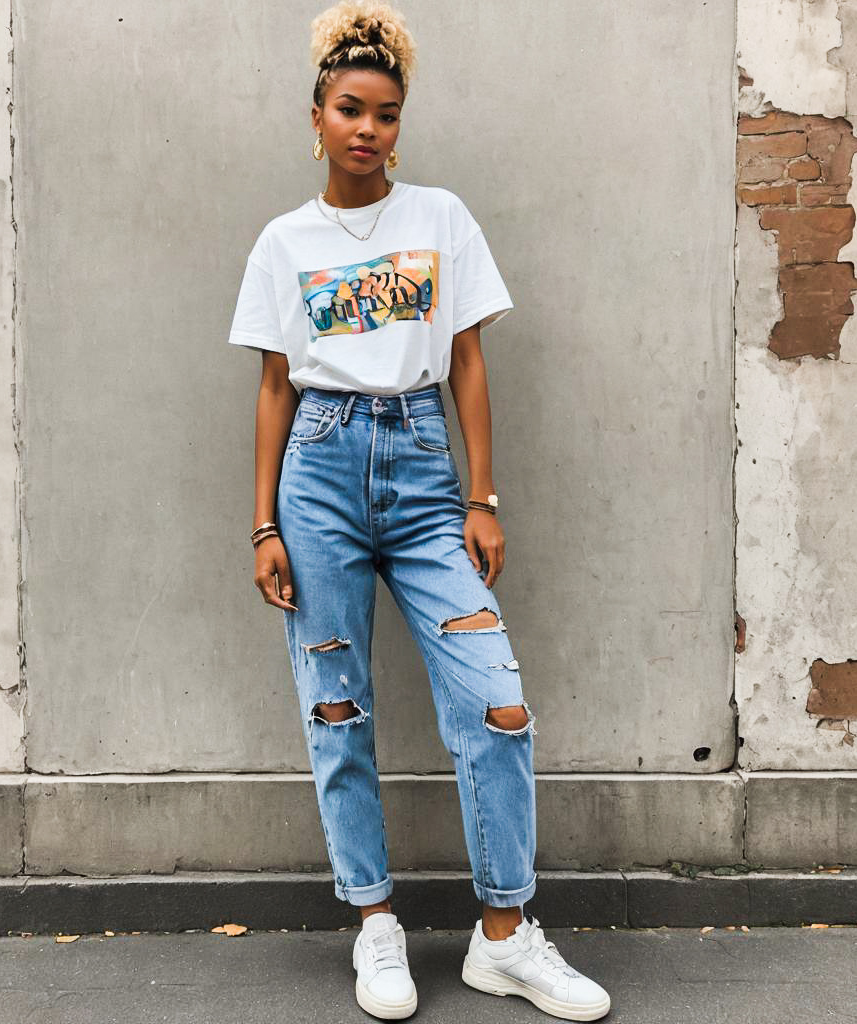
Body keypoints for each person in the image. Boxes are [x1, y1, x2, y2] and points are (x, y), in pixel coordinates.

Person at [227, 2, 611, 1019]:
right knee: (336, 708)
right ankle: (376, 924)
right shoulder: (285, 241)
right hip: (316, 471)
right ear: (316, 114)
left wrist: (481, 495)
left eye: (387, 113)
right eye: (350, 109)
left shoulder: (439, 218)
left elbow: (469, 363)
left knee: (496, 700)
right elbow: (274, 385)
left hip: (423, 468)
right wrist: (263, 521)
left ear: (400, 122)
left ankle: (502, 935)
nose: (369, 128)